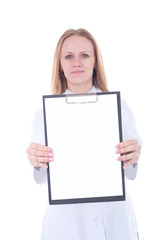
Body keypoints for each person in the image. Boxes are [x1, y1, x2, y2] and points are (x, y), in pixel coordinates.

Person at [26, 28, 141, 240]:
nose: (76, 63)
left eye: (84, 55)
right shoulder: (45, 114)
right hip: (66, 222)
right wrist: (36, 158)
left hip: (114, 217)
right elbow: (40, 177)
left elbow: (131, 173)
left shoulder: (118, 107)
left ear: (95, 62)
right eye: (68, 56)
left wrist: (133, 155)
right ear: (60, 65)